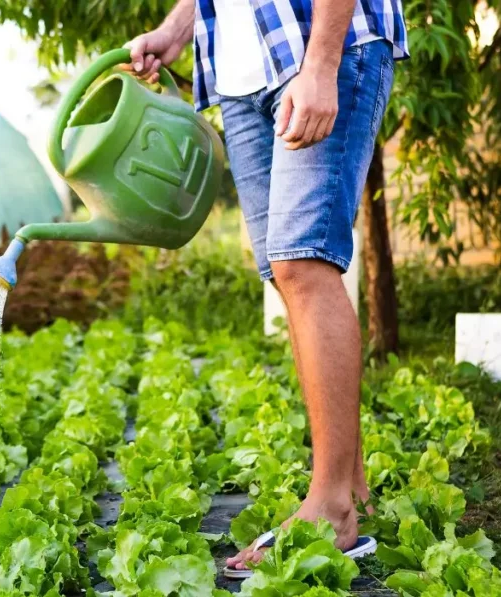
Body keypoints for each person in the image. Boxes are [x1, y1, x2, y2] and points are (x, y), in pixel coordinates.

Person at [123, 0, 409, 578]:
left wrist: (323, 62)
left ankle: (331, 509)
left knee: (305, 264)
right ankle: (351, 487)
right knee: (287, 274)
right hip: (240, 72)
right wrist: (179, 26)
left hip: (319, 44)